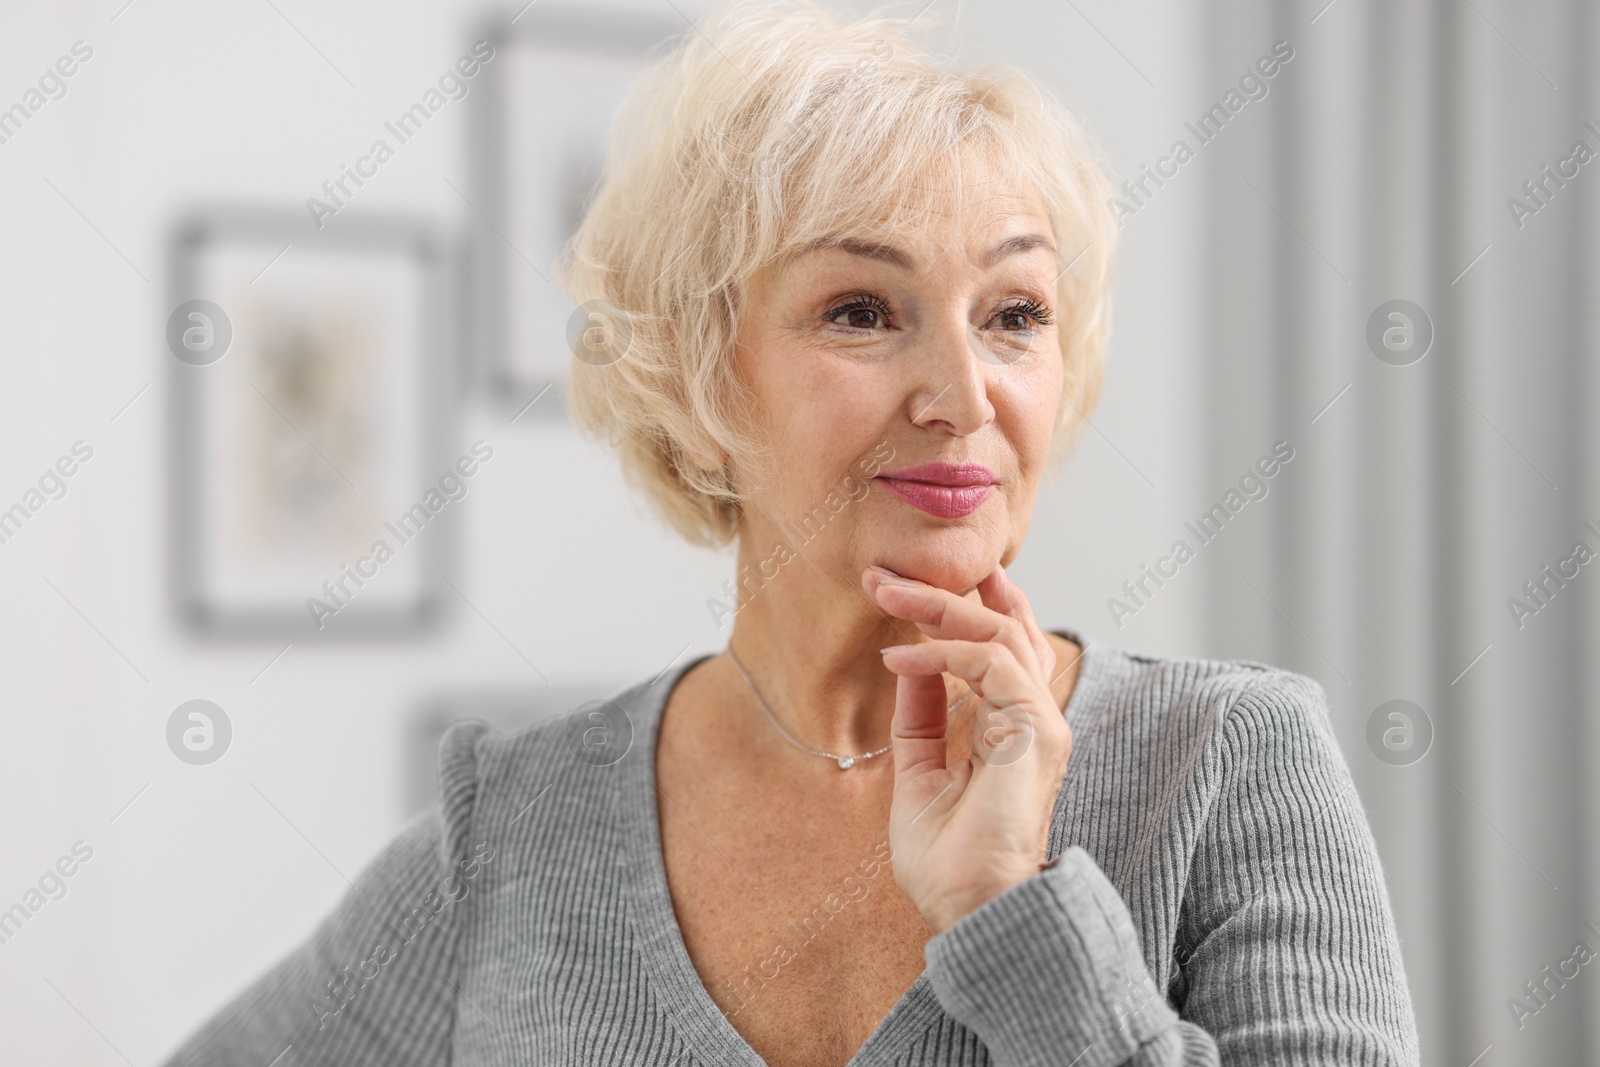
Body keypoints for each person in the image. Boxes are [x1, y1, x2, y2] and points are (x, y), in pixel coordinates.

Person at [163, 3, 1420, 1064]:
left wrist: (1012, 911)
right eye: (864, 309)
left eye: (1015, 311)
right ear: (702, 386)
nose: (965, 393)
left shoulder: (1228, 763)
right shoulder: (512, 830)